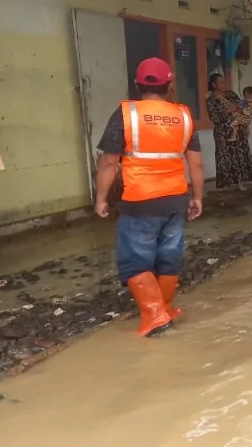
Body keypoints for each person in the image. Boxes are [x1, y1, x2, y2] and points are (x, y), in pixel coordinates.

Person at [93, 57, 204, 337]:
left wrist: (101, 198)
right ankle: (166, 308)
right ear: (170, 85)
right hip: (176, 198)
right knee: (168, 256)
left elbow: (108, 162)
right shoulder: (184, 115)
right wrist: (198, 197)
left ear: (137, 84)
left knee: (135, 259)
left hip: (139, 201)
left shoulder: (126, 113)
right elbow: (197, 164)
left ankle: (155, 315)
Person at [206, 73, 252, 192]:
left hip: (239, 130)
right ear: (214, 85)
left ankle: (241, 183)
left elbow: (243, 108)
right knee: (225, 158)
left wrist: (246, 125)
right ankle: (226, 185)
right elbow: (214, 118)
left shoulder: (231, 94)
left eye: (224, 82)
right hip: (223, 134)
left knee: (240, 157)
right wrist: (227, 111)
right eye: (221, 82)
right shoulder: (211, 99)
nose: (224, 84)